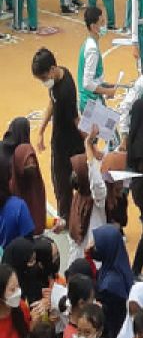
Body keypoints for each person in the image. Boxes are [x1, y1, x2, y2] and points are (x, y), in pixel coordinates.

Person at [31, 48, 87, 217]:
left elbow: (76, 120)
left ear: (52, 69)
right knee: (64, 187)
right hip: (62, 141)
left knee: (64, 187)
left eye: (44, 78)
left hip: (67, 146)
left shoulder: (66, 91)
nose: (44, 82)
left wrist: (89, 142)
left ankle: (68, 221)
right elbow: (51, 103)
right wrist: (41, 130)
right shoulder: (58, 78)